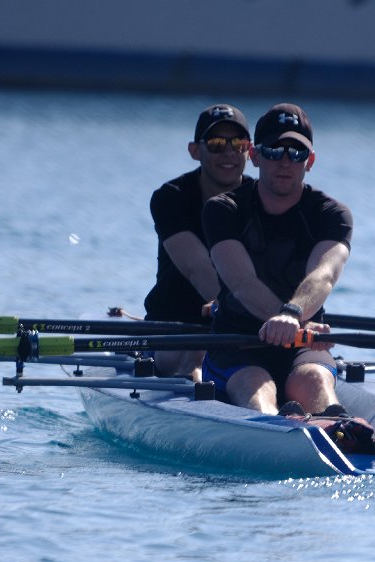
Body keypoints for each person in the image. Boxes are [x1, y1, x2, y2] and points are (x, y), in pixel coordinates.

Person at [202, 103, 352, 416]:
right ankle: (273, 428)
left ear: (310, 161)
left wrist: (293, 316)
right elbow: (242, 282)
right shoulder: (223, 209)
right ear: (254, 155)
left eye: (296, 153)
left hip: (303, 342)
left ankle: (339, 428)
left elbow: (323, 275)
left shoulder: (332, 214)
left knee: (314, 380)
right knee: (256, 384)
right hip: (237, 343)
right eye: (274, 151)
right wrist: (294, 322)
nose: (285, 161)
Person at [138, 103, 253, 380]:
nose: (228, 152)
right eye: (216, 144)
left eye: (238, 144)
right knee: (197, 356)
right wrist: (250, 315)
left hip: (245, 325)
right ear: (194, 150)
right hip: (175, 327)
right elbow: (198, 269)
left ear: (249, 150)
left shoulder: (263, 199)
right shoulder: (171, 198)